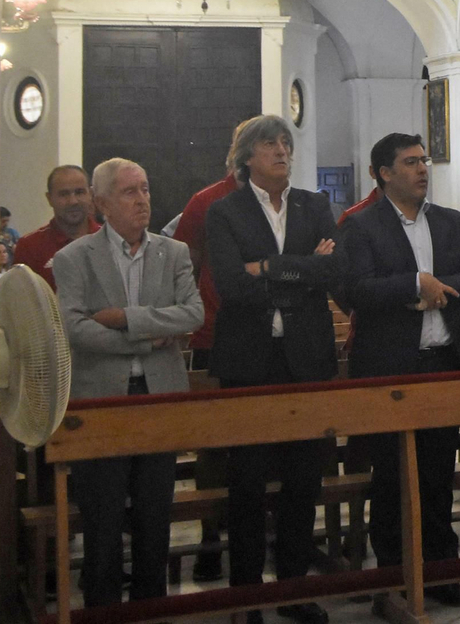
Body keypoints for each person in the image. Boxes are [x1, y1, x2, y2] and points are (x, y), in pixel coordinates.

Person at [205, 115, 343, 624]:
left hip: (306, 359)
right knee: (247, 483)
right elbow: (230, 286)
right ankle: (246, 597)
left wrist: (265, 266)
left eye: (286, 143)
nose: (282, 151)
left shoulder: (313, 204)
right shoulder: (226, 212)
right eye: (270, 144)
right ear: (246, 157)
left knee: (304, 480)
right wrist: (300, 268)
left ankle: (293, 588)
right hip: (249, 363)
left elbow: (332, 270)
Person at [342, 134, 460, 609]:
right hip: (390, 367)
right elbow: (355, 290)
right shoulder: (361, 226)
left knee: (437, 473)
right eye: (410, 162)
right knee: (391, 476)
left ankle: (442, 571)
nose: (422, 169)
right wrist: (413, 285)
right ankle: (392, 575)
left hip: (443, 363)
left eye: (423, 160)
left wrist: (439, 287)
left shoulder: (447, 221)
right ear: (384, 173)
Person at [52, 158, 202, 609]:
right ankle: (102, 608)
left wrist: (124, 321)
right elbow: (74, 327)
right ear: (102, 204)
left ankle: (150, 605)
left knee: (155, 510)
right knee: (103, 513)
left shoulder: (172, 253)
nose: (143, 200)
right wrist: (147, 338)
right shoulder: (73, 257)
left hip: (159, 396)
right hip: (101, 400)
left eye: (145, 189)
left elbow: (192, 314)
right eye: (129, 192)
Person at [169, 117, 258, 583]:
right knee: (214, 444)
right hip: (215, 332)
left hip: (269, 336)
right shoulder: (207, 202)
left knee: (266, 438)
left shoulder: (287, 202)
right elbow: (185, 268)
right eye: (265, 145)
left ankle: (264, 534)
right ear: (242, 153)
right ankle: (209, 537)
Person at [13, 164, 99, 291]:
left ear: (90, 194)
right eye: (64, 194)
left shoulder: (110, 240)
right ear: (49, 199)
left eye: (79, 192)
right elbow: (21, 303)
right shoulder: (29, 247)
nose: (73, 201)